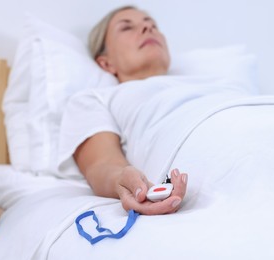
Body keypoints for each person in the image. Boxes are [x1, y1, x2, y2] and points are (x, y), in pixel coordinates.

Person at [73, 6, 188, 215]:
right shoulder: (97, 98)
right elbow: (102, 164)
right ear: (106, 62)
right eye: (127, 28)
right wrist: (124, 180)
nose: (147, 27)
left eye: (152, 25)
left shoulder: (221, 84)